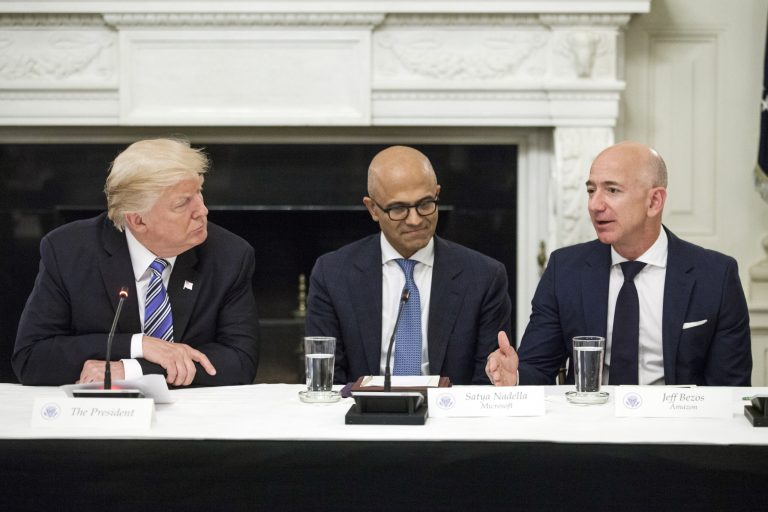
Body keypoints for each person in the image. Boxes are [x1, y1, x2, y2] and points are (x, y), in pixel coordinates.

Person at [486, 141, 752, 387]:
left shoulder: (715, 276)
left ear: (654, 201)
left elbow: (729, 388)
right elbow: (538, 367)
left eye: (612, 190)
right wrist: (516, 375)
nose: (595, 204)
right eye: (591, 190)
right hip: (588, 427)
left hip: (676, 430)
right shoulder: (564, 270)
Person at [13, 138, 259, 387]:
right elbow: (31, 359)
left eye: (199, 192)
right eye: (182, 203)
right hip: (100, 416)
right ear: (137, 221)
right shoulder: (68, 251)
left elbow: (240, 362)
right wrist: (138, 344)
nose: (202, 210)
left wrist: (132, 370)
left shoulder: (229, 255)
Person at [305, 145, 512, 385]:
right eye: (398, 209)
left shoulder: (484, 277)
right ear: (372, 208)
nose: (415, 220)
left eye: (425, 204)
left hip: (451, 416)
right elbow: (327, 381)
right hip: (363, 416)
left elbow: (487, 382)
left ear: (436, 194)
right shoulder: (332, 274)